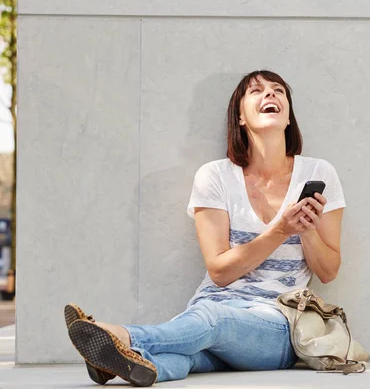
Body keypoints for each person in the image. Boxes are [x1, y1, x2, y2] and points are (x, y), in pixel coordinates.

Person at [64, 70, 347, 386]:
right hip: (207, 313)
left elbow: (328, 271)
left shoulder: (319, 172)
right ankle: (121, 364)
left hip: (277, 324)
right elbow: (220, 272)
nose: (270, 94)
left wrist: (306, 229)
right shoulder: (215, 177)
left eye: (278, 90)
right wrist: (280, 230)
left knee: (215, 320)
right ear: (239, 117)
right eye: (257, 90)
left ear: (288, 114)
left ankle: (117, 337)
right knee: (190, 356)